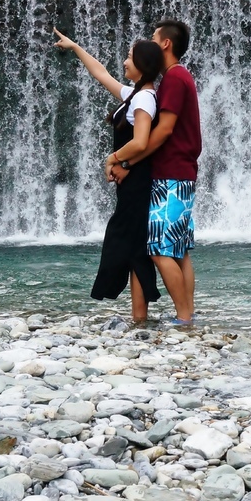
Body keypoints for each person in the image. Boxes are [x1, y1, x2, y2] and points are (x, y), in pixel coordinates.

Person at [53, 27, 165, 322]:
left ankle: (141, 315)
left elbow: (141, 142)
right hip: (133, 180)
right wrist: (76, 47)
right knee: (133, 246)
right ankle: (139, 316)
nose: (124, 62)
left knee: (126, 241)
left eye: (129, 57)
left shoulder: (144, 99)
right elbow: (101, 74)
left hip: (139, 182)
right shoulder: (136, 95)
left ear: (142, 65)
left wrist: (113, 159)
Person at [107, 20, 201, 325]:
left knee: (160, 250)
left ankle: (185, 319)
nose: (148, 42)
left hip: (171, 174)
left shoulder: (173, 79)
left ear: (165, 45)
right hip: (182, 174)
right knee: (180, 250)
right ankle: (188, 314)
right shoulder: (179, 76)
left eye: (152, 38)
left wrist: (124, 162)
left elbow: (162, 132)